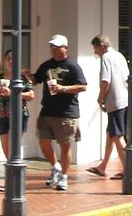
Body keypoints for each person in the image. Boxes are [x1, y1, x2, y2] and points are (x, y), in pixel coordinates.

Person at [25, 34, 87, 192]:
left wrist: (63, 89)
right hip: (47, 111)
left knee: (65, 146)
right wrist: (27, 75)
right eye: (51, 47)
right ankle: (55, 166)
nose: (53, 49)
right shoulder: (47, 65)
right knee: (43, 142)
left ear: (65, 48)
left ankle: (64, 177)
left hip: (66, 112)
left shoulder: (72, 65)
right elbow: (35, 80)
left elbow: (83, 86)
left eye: (57, 47)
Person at [0, 50, 34, 192]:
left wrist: (13, 92)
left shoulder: (23, 77)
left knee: (13, 148)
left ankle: (14, 181)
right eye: (8, 58)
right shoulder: (1, 77)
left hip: (19, 115)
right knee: (6, 150)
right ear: (4, 61)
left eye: (14, 58)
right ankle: (12, 179)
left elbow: (31, 95)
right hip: (3, 117)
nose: (11, 61)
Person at [87, 35, 129, 179]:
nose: (95, 52)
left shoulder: (107, 58)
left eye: (95, 48)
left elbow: (106, 81)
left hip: (114, 101)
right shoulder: (119, 56)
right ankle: (102, 166)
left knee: (117, 135)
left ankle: (128, 170)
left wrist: (100, 98)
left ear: (102, 46)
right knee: (111, 134)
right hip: (124, 99)